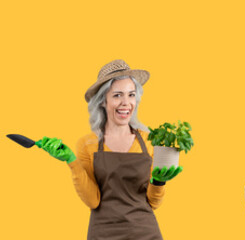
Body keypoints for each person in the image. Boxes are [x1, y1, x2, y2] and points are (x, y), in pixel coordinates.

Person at [33, 59, 183, 240]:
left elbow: (153, 203)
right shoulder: (87, 144)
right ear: (103, 100)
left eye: (131, 95)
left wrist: (158, 182)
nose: (126, 103)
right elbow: (93, 201)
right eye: (117, 95)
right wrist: (72, 161)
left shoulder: (148, 140)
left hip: (145, 232)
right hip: (103, 233)